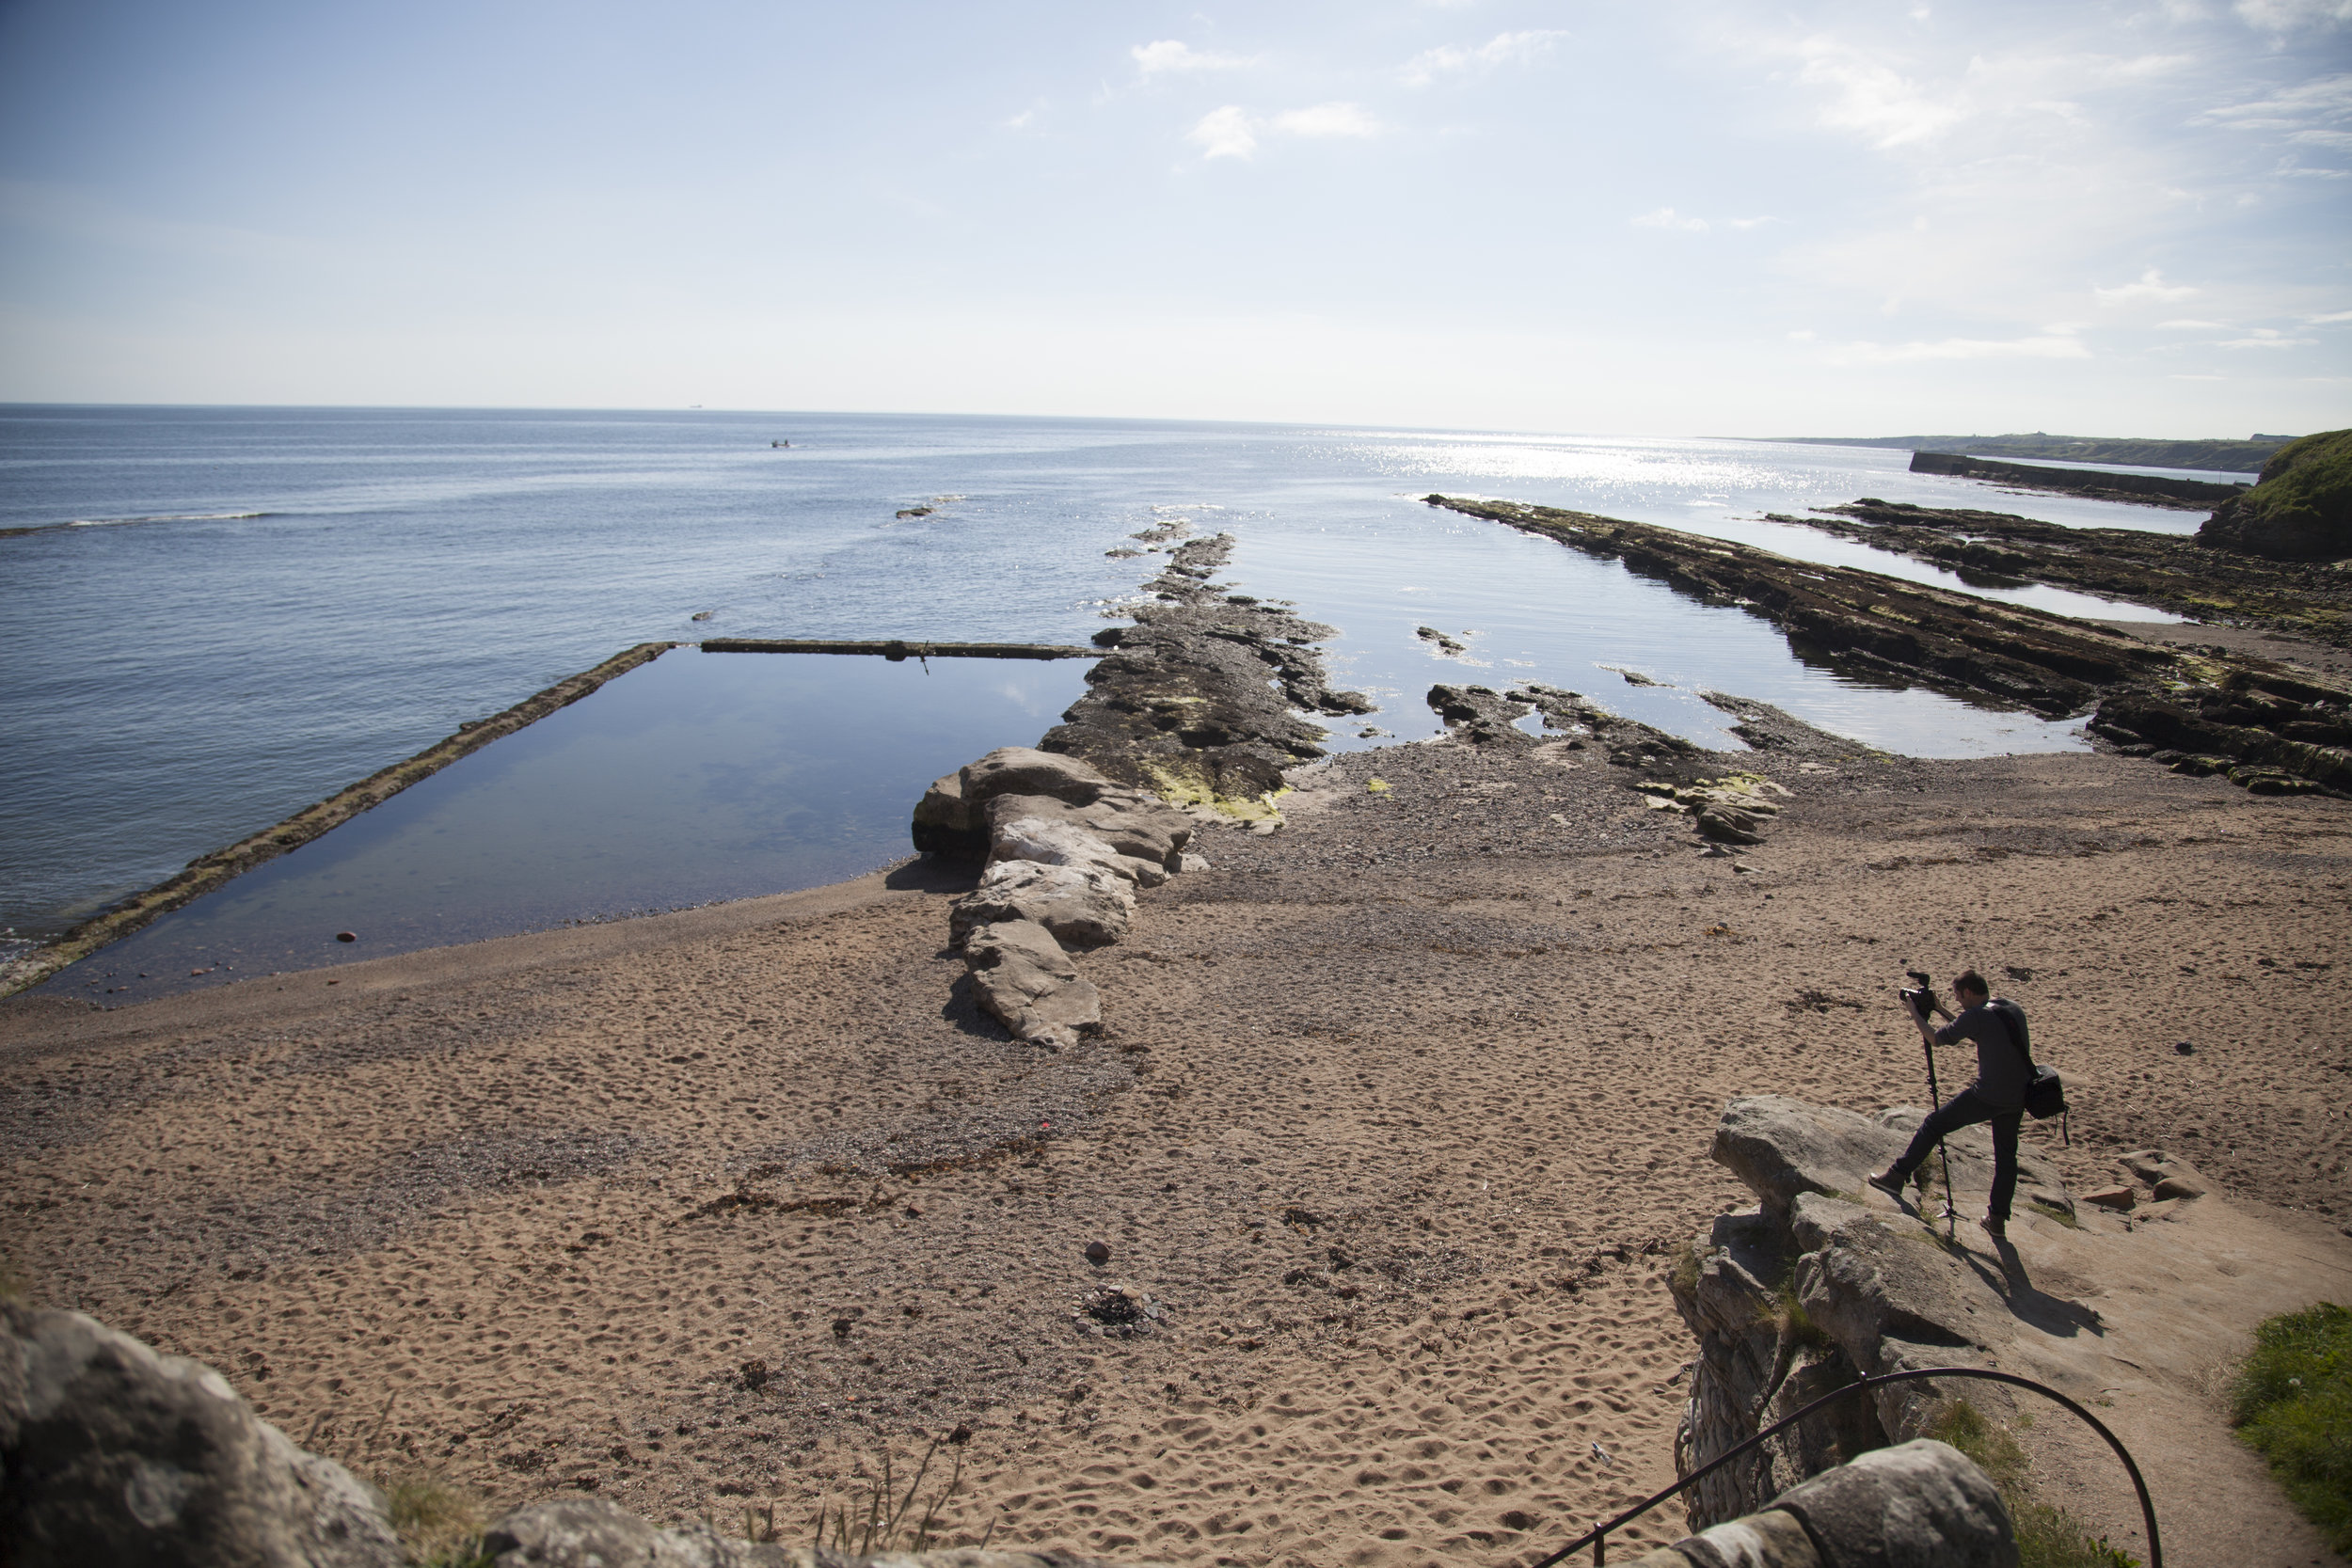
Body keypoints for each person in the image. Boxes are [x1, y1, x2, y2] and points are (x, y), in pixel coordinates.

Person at [1867, 970, 2029, 1238]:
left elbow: (1936, 1038)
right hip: (2018, 1095)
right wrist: (1940, 1008)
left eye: (1957, 996)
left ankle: (1896, 1177)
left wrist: (1914, 1012)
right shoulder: (2009, 1009)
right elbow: (1973, 1032)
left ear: (1966, 992)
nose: (1958, 1002)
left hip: (1988, 1094)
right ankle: (1997, 1219)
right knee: (2006, 1157)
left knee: (1934, 1124)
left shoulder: (1977, 1015)